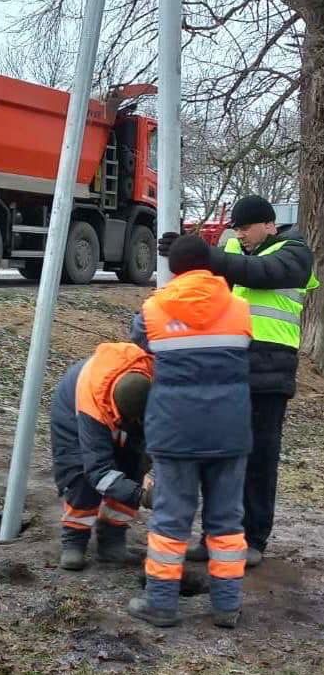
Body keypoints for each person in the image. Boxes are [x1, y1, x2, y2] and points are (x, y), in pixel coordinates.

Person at [159, 195, 319, 566]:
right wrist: (185, 254)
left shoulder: (294, 252)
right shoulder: (232, 250)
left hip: (268, 374)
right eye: (237, 229)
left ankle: (252, 541)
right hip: (225, 368)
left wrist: (205, 255)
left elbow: (261, 272)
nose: (241, 235)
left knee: (258, 461)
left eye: (246, 228)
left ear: (269, 224)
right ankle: (215, 537)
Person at [128, 235, 252, 629]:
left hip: (175, 431)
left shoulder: (154, 309)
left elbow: (139, 340)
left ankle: (161, 604)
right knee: (227, 521)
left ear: (174, 268)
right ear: (210, 263)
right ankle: (226, 607)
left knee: (170, 519)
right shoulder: (239, 308)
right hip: (229, 430)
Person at [50, 342, 153, 571]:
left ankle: (112, 540)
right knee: (81, 475)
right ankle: (74, 542)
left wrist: (147, 468)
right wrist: (142, 496)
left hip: (124, 405)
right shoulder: (92, 406)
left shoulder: (150, 380)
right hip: (72, 415)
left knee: (134, 466)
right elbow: (98, 471)